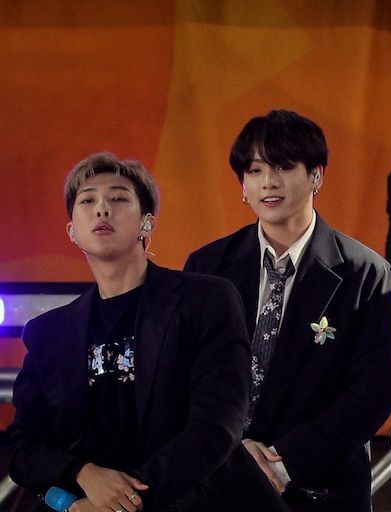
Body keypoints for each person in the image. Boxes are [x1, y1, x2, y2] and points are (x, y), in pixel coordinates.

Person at [4, 153, 285, 511]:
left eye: (119, 198)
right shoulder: (49, 332)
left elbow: (216, 428)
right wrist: (81, 476)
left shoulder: (206, 300)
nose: (102, 208)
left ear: (146, 223)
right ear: (72, 231)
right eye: (88, 200)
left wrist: (125, 503)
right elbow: (21, 447)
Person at [184, 109, 391, 511]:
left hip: (319, 489)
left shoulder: (366, 274)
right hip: (217, 482)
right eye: (255, 170)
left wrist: (283, 462)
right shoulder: (207, 266)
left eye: (283, 167)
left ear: (316, 175)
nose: (268, 182)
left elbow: (372, 393)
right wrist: (234, 454)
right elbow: (188, 379)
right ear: (243, 184)